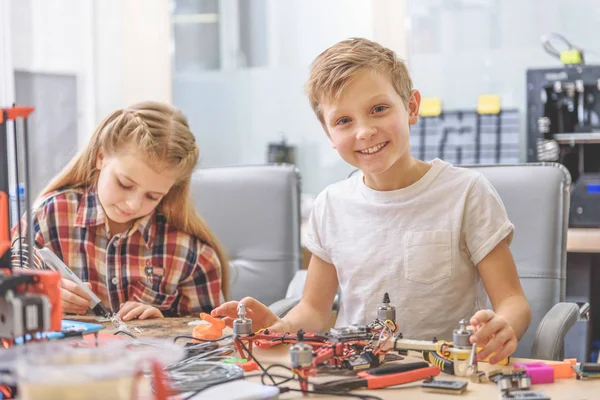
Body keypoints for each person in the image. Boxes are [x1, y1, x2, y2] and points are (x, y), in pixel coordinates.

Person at [212, 38, 531, 365]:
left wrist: (504, 325)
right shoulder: (330, 205)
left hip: (445, 375)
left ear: (411, 107)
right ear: (329, 135)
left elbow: (513, 300)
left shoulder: (467, 193)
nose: (364, 131)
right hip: (355, 375)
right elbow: (314, 310)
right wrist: (280, 327)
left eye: (378, 109)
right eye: (343, 121)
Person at [13, 101, 227, 321]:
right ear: (101, 157)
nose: (133, 205)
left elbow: (212, 340)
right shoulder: (49, 217)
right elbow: (9, 286)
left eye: (153, 196)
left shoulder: (190, 253)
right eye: (125, 184)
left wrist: (163, 326)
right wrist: (41, 294)